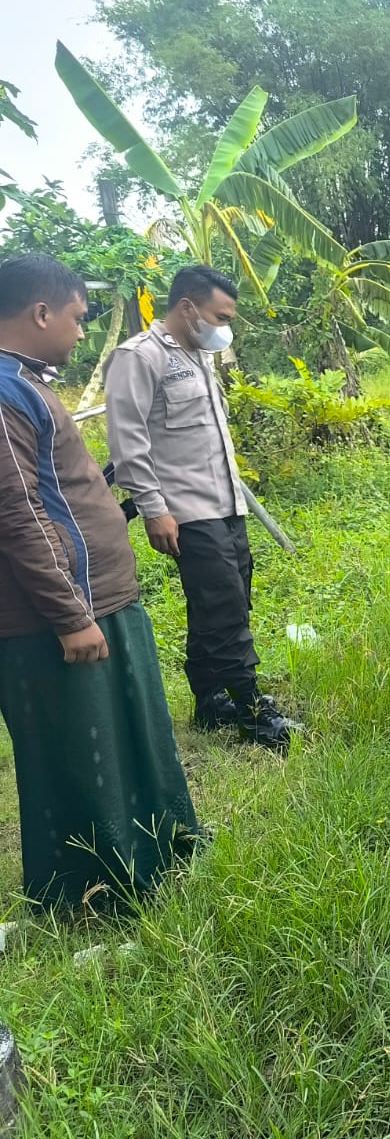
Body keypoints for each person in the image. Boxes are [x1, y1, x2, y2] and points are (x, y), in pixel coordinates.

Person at [0, 254, 201, 909]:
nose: (83, 331)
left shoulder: (25, 382)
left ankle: (155, 855)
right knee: (84, 758)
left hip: (100, 598)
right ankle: (96, 895)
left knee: (130, 739)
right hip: (59, 616)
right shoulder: (3, 394)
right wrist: (70, 615)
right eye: (78, 317)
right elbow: (19, 515)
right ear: (41, 313)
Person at [105, 265, 296, 750]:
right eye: (220, 316)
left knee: (222, 604)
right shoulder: (140, 357)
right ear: (187, 307)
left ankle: (210, 703)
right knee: (225, 609)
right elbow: (128, 443)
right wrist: (154, 510)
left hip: (226, 506)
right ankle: (255, 715)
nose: (224, 327)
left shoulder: (198, 356)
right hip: (188, 512)